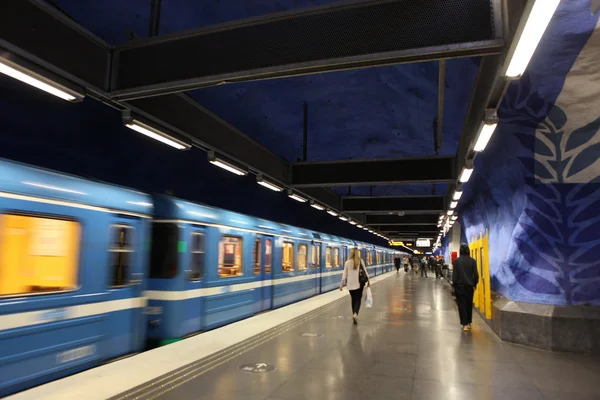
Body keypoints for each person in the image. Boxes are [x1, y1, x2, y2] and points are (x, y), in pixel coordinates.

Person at [340, 248, 370, 324]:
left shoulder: (347, 262)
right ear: (357, 253)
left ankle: (354, 314)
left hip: (350, 284)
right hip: (359, 284)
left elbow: (344, 274)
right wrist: (369, 281)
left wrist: (342, 284)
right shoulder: (360, 261)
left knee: (353, 299)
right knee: (358, 299)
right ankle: (355, 314)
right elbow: (365, 271)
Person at [453, 244, 479, 331]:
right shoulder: (473, 261)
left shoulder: (457, 261)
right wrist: (474, 284)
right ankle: (468, 323)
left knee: (461, 305)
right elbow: (476, 275)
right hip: (469, 286)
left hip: (460, 286)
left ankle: (464, 324)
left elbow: (455, 275)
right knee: (468, 304)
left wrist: (454, 285)